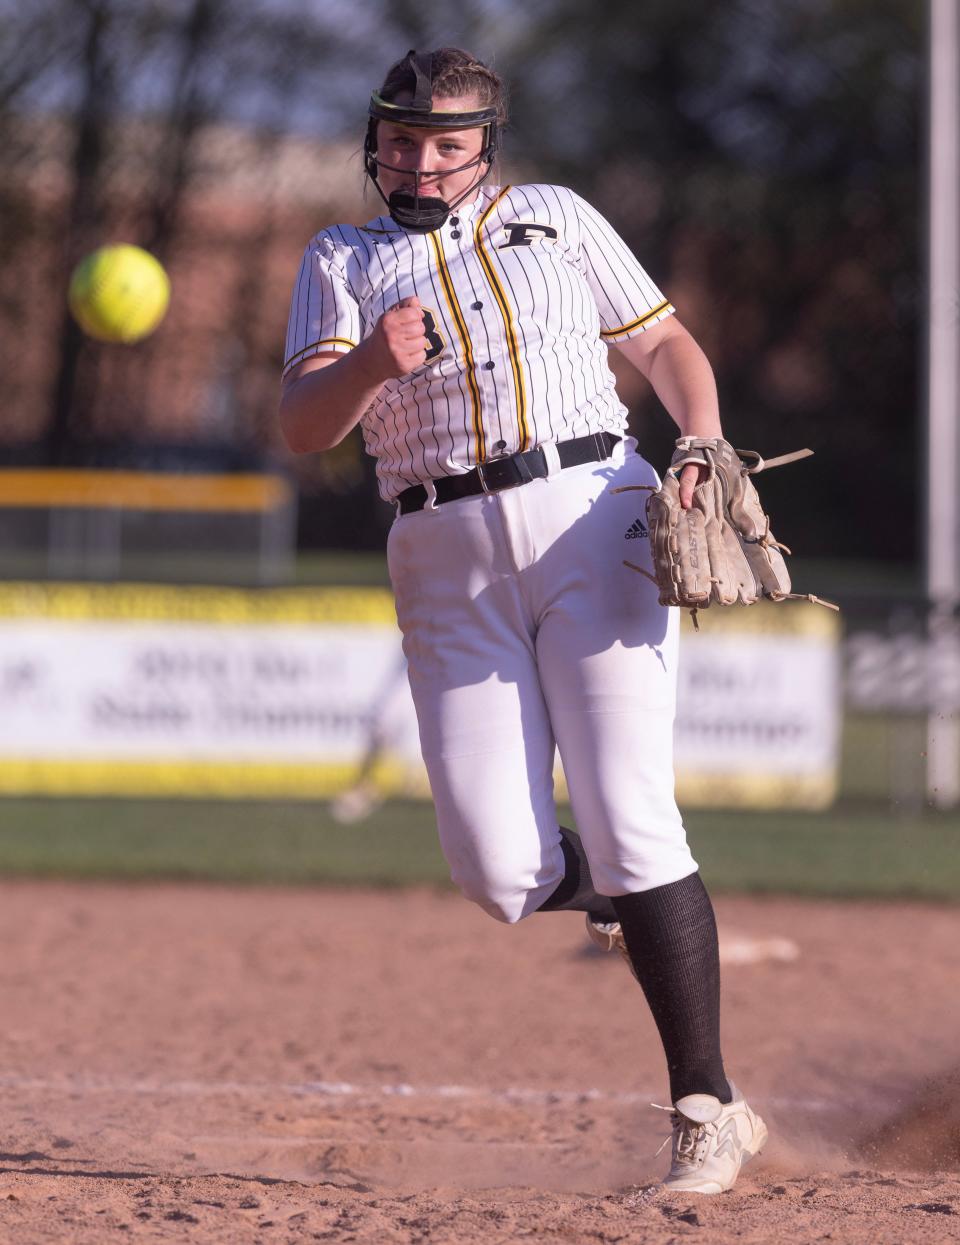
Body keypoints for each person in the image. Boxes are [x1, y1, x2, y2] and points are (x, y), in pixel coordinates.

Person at [279, 47, 766, 1194]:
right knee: (500, 871)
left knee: (632, 809)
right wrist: (366, 372)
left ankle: (706, 1104)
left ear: (485, 149)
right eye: (402, 140)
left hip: (592, 514)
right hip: (439, 547)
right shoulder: (340, 259)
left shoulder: (553, 217)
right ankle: (638, 900)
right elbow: (304, 425)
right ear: (376, 139)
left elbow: (663, 344)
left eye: (448, 145)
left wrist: (697, 440)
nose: (422, 162)